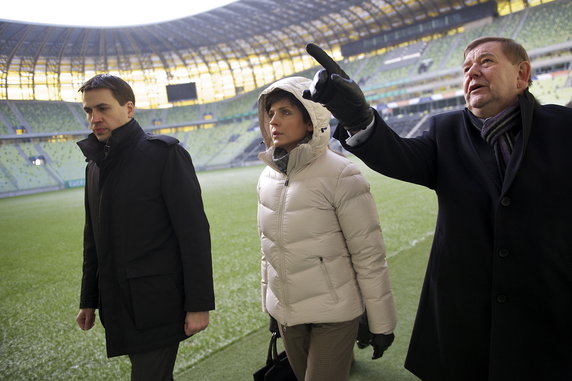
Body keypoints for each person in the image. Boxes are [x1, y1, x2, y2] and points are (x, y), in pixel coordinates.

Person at [302, 37, 572, 381]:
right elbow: (397, 155)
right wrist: (358, 118)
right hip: (465, 318)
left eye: (486, 62)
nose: (473, 71)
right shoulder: (446, 131)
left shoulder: (563, 128)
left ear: (522, 75)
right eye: (466, 68)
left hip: (548, 310)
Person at [74, 74, 215, 381]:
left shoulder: (164, 154)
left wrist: (199, 304)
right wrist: (89, 300)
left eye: (102, 108)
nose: (94, 118)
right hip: (118, 304)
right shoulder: (94, 166)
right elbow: (93, 240)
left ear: (129, 108)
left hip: (158, 304)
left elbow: (193, 234)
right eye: (88, 111)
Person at [256, 76, 397, 381]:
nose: (274, 122)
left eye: (285, 112)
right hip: (287, 315)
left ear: (311, 122)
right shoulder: (266, 178)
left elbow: (369, 254)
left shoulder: (342, 174)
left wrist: (381, 323)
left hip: (334, 313)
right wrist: (271, 304)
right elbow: (268, 248)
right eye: (270, 114)